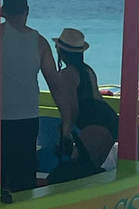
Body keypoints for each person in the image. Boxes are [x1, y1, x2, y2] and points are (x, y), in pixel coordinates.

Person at [0, 0, 61, 197]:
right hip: (28, 116)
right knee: (24, 178)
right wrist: (66, 117)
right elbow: (55, 83)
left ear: (4, 11)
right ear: (27, 12)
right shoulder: (40, 42)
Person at [48, 28, 119, 185]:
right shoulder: (87, 70)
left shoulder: (66, 75)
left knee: (77, 172)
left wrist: (65, 135)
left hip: (95, 126)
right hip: (109, 120)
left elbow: (72, 109)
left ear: (61, 51)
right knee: (88, 172)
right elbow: (97, 99)